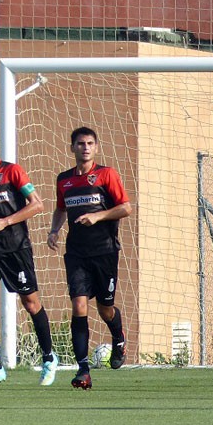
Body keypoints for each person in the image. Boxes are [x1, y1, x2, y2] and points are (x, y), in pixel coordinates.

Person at [0, 123, 58, 386]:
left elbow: (37, 205)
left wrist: (6, 222)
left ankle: (49, 357)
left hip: (17, 248)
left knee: (30, 304)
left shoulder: (12, 171)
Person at [47, 126, 132, 390]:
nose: (85, 148)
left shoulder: (106, 175)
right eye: (80, 143)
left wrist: (97, 216)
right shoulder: (64, 180)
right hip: (76, 254)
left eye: (90, 143)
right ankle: (83, 370)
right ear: (72, 147)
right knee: (79, 307)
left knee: (105, 308)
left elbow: (125, 208)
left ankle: (118, 338)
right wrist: (54, 230)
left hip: (105, 252)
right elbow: (61, 208)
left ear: (96, 147)